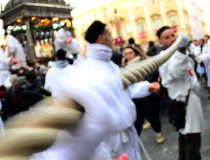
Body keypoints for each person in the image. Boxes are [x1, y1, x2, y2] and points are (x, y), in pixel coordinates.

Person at [32, 21, 160, 160]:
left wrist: (146, 87)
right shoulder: (87, 69)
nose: (112, 38)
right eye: (110, 35)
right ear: (101, 38)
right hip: (110, 138)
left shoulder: (109, 65)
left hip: (126, 134)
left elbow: (123, 89)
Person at [157, 26, 203, 160]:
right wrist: (181, 50)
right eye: (167, 37)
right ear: (161, 42)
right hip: (183, 103)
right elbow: (176, 72)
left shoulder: (179, 54)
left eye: (173, 35)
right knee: (192, 142)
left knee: (186, 139)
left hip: (191, 100)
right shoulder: (163, 57)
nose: (172, 39)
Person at [122, 45, 164, 144]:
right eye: (126, 54)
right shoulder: (125, 67)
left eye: (130, 53)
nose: (128, 55)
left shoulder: (144, 62)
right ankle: (135, 142)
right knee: (137, 121)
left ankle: (159, 133)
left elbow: (153, 76)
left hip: (149, 97)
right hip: (136, 100)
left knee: (153, 118)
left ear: (135, 53)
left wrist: (143, 81)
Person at [197, 35, 210, 100]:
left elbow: (209, 55)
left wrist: (200, 57)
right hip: (208, 66)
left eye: (207, 39)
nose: (206, 40)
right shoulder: (206, 46)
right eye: (205, 39)